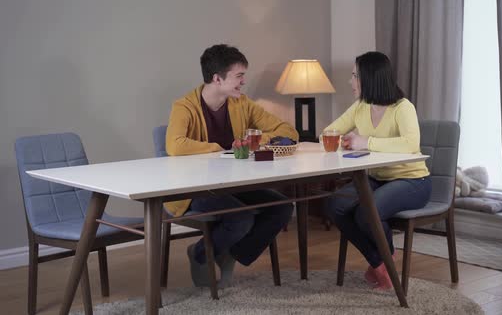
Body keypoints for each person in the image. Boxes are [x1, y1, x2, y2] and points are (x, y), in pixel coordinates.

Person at [165, 44, 298, 288]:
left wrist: (258, 139)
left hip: (233, 184)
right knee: (241, 218)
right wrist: (218, 147)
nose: (243, 82)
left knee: (281, 208)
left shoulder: (241, 104)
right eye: (239, 76)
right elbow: (175, 145)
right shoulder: (184, 107)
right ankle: (199, 254)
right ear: (217, 78)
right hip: (193, 189)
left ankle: (230, 253)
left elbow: (288, 131)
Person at [323, 51, 431, 290]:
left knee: (365, 213)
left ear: (369, 79)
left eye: (354, 76)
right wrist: (343, 141)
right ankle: (382, 261)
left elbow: (410, 144)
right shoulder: (361, 106)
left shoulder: (403, 108)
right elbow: (329, 132)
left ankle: (383, 265)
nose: (350, 82)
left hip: (412, 181)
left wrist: (366, 142)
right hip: (377, 178)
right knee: (334, 205)